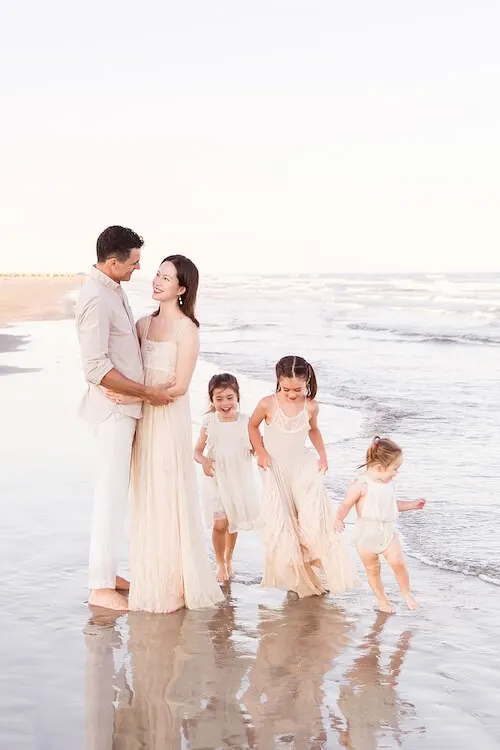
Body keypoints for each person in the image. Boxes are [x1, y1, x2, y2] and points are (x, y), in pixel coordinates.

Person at [104, 255, 224, 613]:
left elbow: (182, 386)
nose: (156, 281)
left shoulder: (187, 329)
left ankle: (174, 581)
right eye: (157, 273)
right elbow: (131, 371)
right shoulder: (142, 324)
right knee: (146, 494)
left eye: (166, 277)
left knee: (168, 493)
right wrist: (126, 393)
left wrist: (133, 393)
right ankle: (150, 574)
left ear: (182, 289)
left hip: (168, 420)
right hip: (143, 418)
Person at [75, 226, 173, 611]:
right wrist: (146, 392)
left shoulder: (112, 290)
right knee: (110, 497)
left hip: (124, 407)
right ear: (113, 262)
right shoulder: (96, 298)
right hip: (113, 411)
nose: (138, 269)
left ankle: (108, 571)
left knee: (118, 495)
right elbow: (95, 366)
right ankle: (99, 588)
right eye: (133, 263)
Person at [248, 355, 360, 598]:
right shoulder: (268, 404)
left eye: (297, 389)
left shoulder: (311, 406)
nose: (291, 394)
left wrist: (323, 455)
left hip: (302, 467)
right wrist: (261, 451)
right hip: (275, 469)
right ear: (278, 381)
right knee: (286, 521)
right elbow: (252, 427)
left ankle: (314, 572)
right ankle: (297, 579)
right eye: (286, 389)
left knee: (310, 520)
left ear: (307, 382)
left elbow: (314, 429)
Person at [334, 437, 426, 613]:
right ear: (379, 467)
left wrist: (412, 505)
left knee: (398, 562)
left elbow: (393, 504)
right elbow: (346, 504)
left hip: (387, 531)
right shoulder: (361, 485)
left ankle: (406, 593)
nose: (396, 473)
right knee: (373, 569)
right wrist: (339, 518)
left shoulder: (389, 484)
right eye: (394, 469)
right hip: (366, 535)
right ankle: (383, 601)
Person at [194, 373, 260, 582]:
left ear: (238, 397)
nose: (225, 403)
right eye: (219, 398)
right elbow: (197, 450)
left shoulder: (246, 421)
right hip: (215, 477)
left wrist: (258, 453)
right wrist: (204, 461)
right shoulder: (209, 421)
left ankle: (229, 558)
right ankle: (220, 562)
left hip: (238, 478)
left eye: (230, 397)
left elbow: (256, 447)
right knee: (220, 523)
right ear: (212, 401)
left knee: (233, 522)